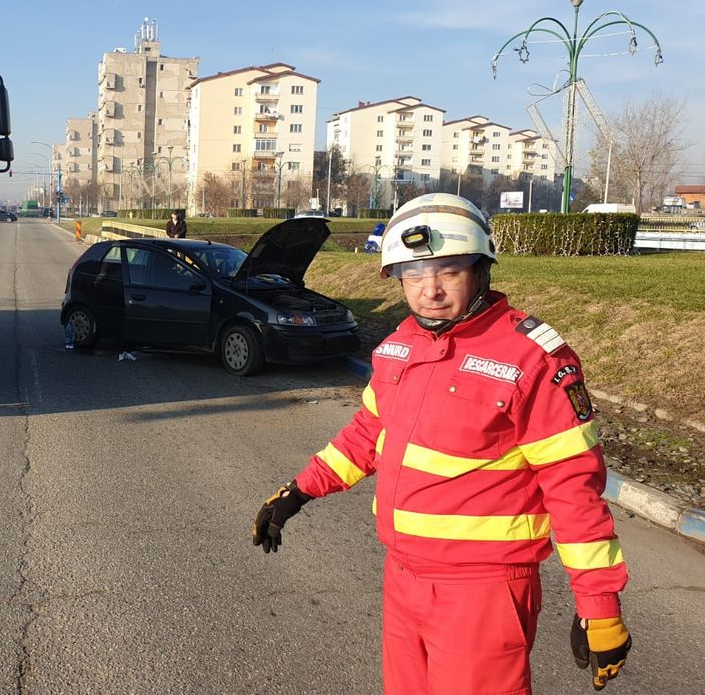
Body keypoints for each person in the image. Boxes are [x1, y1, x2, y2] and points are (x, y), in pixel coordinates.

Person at [252, 193, 630, 694]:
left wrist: (598, 604)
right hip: (403, 577)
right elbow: (366, 435)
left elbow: (573, 488)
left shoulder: (534, 359)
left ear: (480, 271)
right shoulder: (400, 346)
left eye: (448, 271)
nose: (429, 290)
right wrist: (299, 491)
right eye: (413, 274)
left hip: (484, 590)